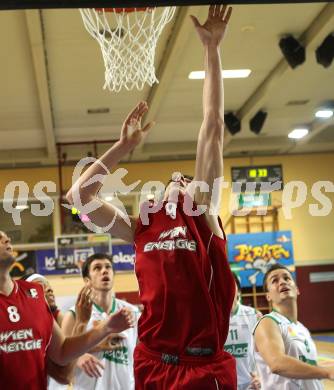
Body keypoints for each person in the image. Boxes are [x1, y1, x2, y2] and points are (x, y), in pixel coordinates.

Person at [66, 4, 236, 389]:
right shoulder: (140, 227)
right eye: (168, 179)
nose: (175, 179)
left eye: (183, 178)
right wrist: (122, 148)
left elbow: (212, 128)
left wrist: (212, 50)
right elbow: (80, 197)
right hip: (153, 360)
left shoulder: (202, 213)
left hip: (202, 365)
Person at [0, 230, 134, 390]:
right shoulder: (71, 314)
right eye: (0, 238)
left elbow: (63, 354)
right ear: (87, 280)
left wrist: (106, 328)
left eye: (7, 237)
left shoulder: (34, 294)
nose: (7, 239)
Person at [61, 253, 139, 390]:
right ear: (87, 280)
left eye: (108, 267)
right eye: (97, 268)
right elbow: (60, 359)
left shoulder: (132, 312)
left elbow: (142, 354)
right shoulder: (73, 315)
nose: (104, 270)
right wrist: (78, 357)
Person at [253, 264, 334, 389]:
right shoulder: (268, 322)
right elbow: (277, 363)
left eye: (287, 278)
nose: (282, 282)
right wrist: (327, 372)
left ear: (297, 289)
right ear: (268, 295)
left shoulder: (303, 329)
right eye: (275, 280)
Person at [225, 274, 261, 390]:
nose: (227, 287)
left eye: (232, 284)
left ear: (239, 291)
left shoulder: (254, 315)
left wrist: (261, 376)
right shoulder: (213, 319)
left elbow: (265, 353)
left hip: (251, 385)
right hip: (224, 384)